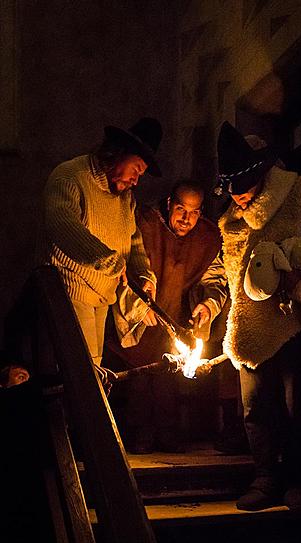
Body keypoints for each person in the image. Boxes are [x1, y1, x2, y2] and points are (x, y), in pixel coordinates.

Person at [216, 121, 301, 512]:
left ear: (261, 177)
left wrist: (299, 265)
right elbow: (228, 266)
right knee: (256, 406)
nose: (239, 200)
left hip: (293, 322)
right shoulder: (230, 218)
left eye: (244, 192)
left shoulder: (298, 196)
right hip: (249, 324)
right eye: (233, 194)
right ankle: (266, 476)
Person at [107, 179, 227, 453]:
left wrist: (208, 304)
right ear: (170, 204)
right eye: (182, 209)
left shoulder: (207, 237)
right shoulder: (145, 224)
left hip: (175, 320)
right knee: (139, 376)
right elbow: (126, 265)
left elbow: (215, 279)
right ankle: (139, 434)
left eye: (195, 212)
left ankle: (168, 432)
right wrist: (139, 305)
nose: (187, 219)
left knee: (167, 376)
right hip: (139, 317)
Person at [42, 117, 162, 367]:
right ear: (118, 153)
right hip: (72, 289)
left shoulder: (125, 197)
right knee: (81, 371)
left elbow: (133, 240)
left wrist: (144, 276)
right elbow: (62, 226)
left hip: (102, 295)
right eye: (137, 169)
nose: (136, 180)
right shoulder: (71, 177)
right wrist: (109, 261)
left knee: (93, 368)